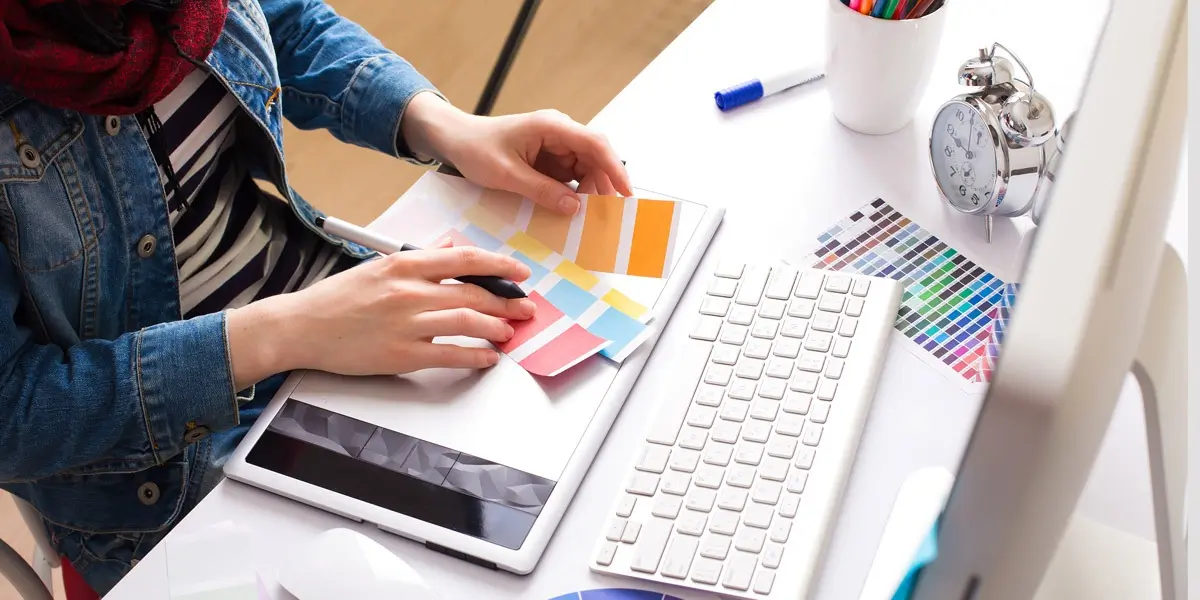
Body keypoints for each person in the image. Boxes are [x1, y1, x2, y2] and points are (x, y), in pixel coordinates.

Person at [0, 0, 632, 594]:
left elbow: (287, 20)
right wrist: (284, 332)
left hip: (333, 318)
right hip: (165, 474)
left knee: (607, 471)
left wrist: (444, 126)